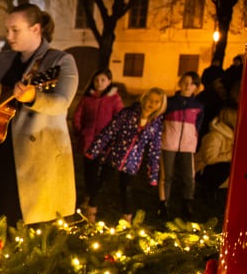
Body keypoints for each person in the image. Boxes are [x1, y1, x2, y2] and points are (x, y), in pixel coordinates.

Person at [0, 4, 79, 229]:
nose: (8, 36)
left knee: (26, 227)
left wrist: (34, 97)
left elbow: (62, 103)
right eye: (7, 30)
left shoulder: (60, 61)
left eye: (15, 30)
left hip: (35, 159)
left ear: (35, 29)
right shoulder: (4, 60)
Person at [85, 88, 167, 223]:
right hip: (113, 157)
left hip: (132, 164)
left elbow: (155, 150)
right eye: (150, 100)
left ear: (161, 105)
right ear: (144, 99)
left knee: (127, 189)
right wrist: (94, 150)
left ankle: (127, 219)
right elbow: (109, 131)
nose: (151, 103)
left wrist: (153, 174)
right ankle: (90, 212)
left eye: (156, 102)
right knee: (103, 184)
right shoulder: (128, 114)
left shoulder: (156, 125)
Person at [72, 68, 124, 221]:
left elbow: (119, 119)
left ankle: (93, 200)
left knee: (99, 172)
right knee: (88, 171)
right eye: (97, 80)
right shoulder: (87, 98)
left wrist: (114, 137)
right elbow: (77, 115)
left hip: (105, 143)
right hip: (88, 140)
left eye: (103, 80)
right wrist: (80, 131)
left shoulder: (114, 99)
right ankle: (89, 195)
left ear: (109, 81)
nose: (99, 83)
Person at [160, 71, 203, 220]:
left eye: (191, 83)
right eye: (184, 81)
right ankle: (163, 205)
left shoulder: (198, 106)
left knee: (188, 176)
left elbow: (197, 126)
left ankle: (187, 205)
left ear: (196, 87)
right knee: (167, 176)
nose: (187, 85)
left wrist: (192, 140)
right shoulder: (169, 102)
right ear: (180, 82)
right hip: (168, 142)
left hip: (187, 145)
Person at [196, 106, 237, 208]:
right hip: (202, 170)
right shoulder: (215, 136)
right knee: (224, 167)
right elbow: (209, 159)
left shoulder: (233, 137)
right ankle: (209, 193)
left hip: (217, 170)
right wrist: (230, 155)